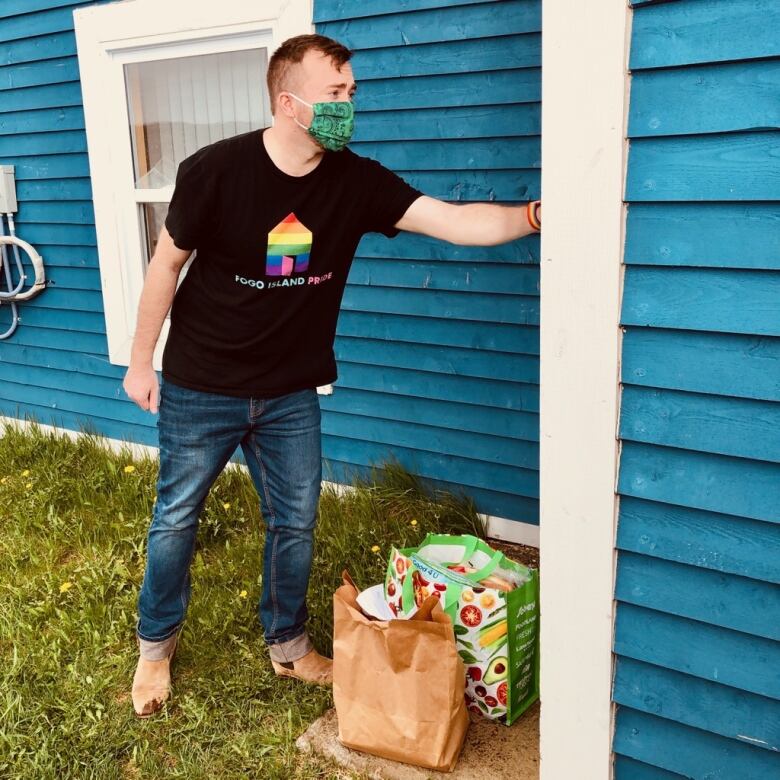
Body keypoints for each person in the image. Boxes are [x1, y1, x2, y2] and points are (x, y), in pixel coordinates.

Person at [123, 32, 541, 718]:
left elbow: (454, 222)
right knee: (176, 519)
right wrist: (141, 362)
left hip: (290, 391)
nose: (350, 105)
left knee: (296, 522)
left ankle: (288, 646)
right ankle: (154, 648)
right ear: (290, 104)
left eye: (353, 92)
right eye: (336, 95)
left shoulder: (356, 181)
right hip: (202, 384)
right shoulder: (216, 172)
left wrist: (533, 216)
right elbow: (166, 265)